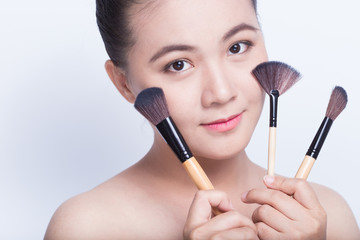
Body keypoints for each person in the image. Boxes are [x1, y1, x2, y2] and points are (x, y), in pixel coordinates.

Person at [44, 0, 360, 239]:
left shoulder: (329, 217)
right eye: (178, 64)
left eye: (238, 47)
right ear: (124, 83)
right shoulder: (87, 227)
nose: (221, 93)